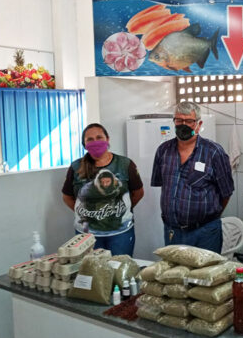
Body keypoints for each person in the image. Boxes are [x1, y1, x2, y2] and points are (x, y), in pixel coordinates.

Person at [151, 101, 234, 253]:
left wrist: (209, 218)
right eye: (179, 120)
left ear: (198, 123)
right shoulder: (163, 151)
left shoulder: (214, 152)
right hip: (172, 232)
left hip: (205, 232)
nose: (183, 124)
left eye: (189, 121)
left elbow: (226, 192)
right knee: (175, 275)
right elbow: (165, 186)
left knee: (205, 275)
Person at [62, 123, 144, 255]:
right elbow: (67, 197)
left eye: (99, 137)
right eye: (90, 139)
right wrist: (86, 213)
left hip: (120, 233)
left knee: (120, 271)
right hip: (87, 236)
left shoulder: (125, 164)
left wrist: (120, 210)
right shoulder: (76, 167)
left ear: (107, 139)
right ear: (84, 144)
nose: (95, 142)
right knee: (91, 273)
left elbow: (138, 193)